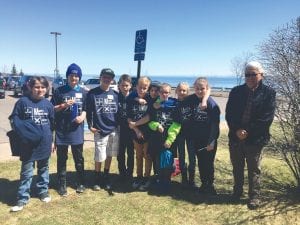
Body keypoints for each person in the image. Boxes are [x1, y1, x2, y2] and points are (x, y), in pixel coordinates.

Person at [225, 61, 276, 209]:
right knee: (237, 167)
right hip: (235, 137)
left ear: (261, 75)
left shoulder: (269, 93)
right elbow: (230, 114)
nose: (250, 77)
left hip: (255, 139)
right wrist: (237, 130)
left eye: (253, 74)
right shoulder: (236, 91)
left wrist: (247, 132)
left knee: (254, 170)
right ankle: (237, 193)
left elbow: (266, 118)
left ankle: (254, 197)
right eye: (247, 74)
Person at [9, 76, 54, 212]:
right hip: (28, 145)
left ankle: (42, 191)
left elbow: (52, 125)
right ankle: (22, 197)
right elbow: (14, 119)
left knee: (44, 169)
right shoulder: (23, 102)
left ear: (46, 89)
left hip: (45, 143)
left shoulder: (48, 104)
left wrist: (52, 142)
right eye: (37, 87)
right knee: (27, 172)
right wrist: (23, 133)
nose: (40, 90)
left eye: (42, 87)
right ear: (30, 87)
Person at [51, 63, 87, 196]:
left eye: (77, 76)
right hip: (62, 130)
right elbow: (51, 108)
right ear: (67, 76)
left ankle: (81, 182)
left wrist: (82, 116)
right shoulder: (59, 91)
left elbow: (86, 109)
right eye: (72, 75)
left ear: (79, 77)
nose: (74, 78)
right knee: (62, 159)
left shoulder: (83, 92)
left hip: (77, 130)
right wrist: (63, 105)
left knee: (79, 158)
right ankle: (62, 184)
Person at [179, 77, 220, 194]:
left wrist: (212, 141)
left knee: (209, 162)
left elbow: (215, 124)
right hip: (197, 138)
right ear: (194, 88)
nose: (199, 91)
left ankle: (210, 184)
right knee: (201, 161)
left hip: (209, 139)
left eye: (202, 89)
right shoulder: (191, 99)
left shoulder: (211, 104)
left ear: (207, 89)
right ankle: (203, 184)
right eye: (197, 88)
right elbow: (180, 101)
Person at [86, 68, 119, 191]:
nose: (107, 79)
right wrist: (90, 126)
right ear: (100, 77)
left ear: (112, 80)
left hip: (113, 130)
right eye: (105, 77)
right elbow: (88, 111)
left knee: (109, 154)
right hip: (100, 129)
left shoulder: (116, 95)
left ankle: (106, 175)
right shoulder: (93, 93)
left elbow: (119, 112)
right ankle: (97, 177)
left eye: (109, 77)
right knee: (99, 156)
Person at [148, 83, 181, 193]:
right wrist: (156, 126)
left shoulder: (175, 104)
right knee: (156, 158)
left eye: (166, 92)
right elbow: (149, 121)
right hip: (156, 137)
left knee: (167, 159)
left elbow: (177, 124)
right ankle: (158, 178)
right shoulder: (154, 104)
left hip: (169, 138)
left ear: (170, 93)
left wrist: (170, 139)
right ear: (159, 93)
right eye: (162, 92)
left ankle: (166, 181)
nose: (164, 94)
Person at [127, 76, 152, 190]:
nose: (142, 90)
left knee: (147, 155)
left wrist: (135, 124)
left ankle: (147, 178)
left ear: (148, 88)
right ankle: (139, 177)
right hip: (135, 133)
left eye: (145, 88)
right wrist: (136, 130)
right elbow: (128, 117)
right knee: (138, 155)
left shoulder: (150, 98)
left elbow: (149, 117)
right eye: (140, 87)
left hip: (147, 132)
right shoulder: (131, 97)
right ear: (136, 86)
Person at [117, 74, 134, 179]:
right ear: (119, 85)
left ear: (130, 86)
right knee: (120, 152)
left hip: (131, 129)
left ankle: (130, 173)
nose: (124, 87)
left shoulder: (134, 97)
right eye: (122, 85)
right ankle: (122, 172)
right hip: (119, 128)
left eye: (127, 85)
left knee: (131, 152)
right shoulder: (115, 96)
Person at [173, 82, 190, 187]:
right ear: (176, 91)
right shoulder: (173, 102)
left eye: (184, 90)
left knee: (190, 156)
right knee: (180, 155)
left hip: (189, 133)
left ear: (187, 92)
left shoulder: (190, 101)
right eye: (180, 90)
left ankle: (188, 178)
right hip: (177, 134)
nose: (182, 92)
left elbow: (207, 91)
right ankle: (180, 176)